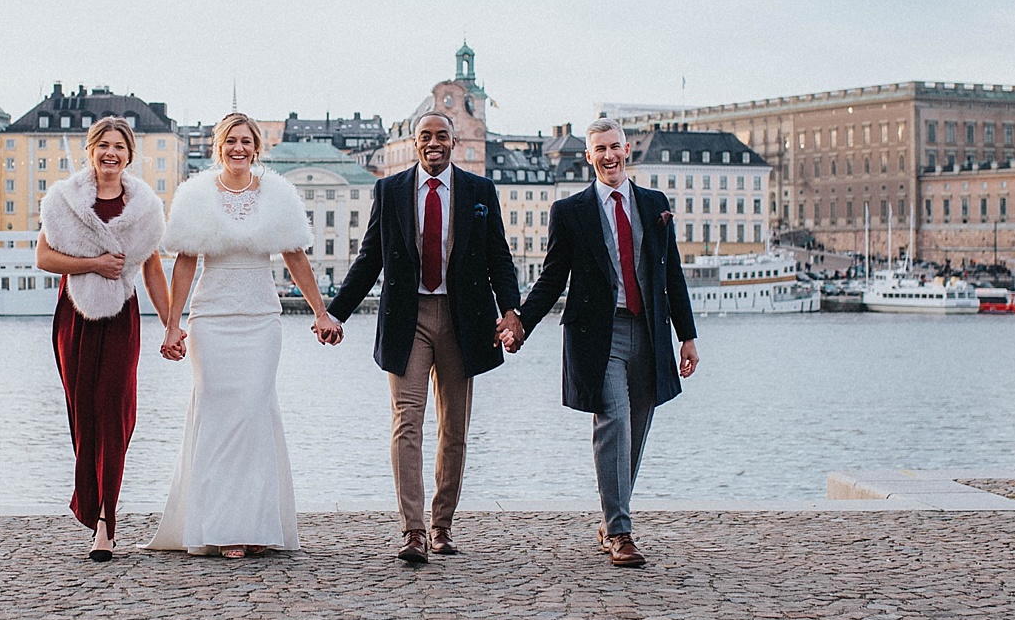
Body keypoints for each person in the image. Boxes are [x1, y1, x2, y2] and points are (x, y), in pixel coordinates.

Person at [501, 117, 698, 568]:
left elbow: (671, 274)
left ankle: (611, 519)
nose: (608, 156)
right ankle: (622, 533)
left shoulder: (654, 204)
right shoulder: (571, 212)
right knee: (614, 421)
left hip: (648, 331)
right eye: (599, 150)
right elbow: (552, 278)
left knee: (638, 428)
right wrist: (521, 324)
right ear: (588, 157)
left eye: (614, 147)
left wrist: (687, 336)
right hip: (598, 333)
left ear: (626, 150)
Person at [328, 111, 521, 564]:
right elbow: (369, 259)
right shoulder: (390, 190)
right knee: (406, 423)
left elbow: (499, 257)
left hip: (462, 320)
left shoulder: (479, 191)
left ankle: (441, 525)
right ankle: (413, 530)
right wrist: (335, 313)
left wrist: (512, 312)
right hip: (407, 319)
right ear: (414, 144)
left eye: (441, 136)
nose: (433, 143)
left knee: (454, 429)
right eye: (425, 136)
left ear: (454, 142)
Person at [147, 113, 343, 559]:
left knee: (253, 415)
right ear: (219, 146)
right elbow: (185, 263)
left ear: (257, 147)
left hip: (260, 319)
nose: (238, 148)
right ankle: (221, 527)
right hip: (211, 320)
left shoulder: (278, 193)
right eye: (230, 141)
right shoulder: (195, 194)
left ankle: (255, 524)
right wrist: (173, 325)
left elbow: (295, 255)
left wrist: (321, 312)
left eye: (246, 141)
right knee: (218, 417)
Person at [38, 116, 170, 562]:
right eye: (103, 145)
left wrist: (171, 324)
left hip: (120, 317)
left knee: (114, 412)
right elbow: (43, 257)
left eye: (119, 147)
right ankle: (90, 501)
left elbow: (152, 270)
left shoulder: (144, 210)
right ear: (91, 150)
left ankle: (104, 524)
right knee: (83, 415)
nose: (110, 153)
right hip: (73, 314)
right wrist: (93, 264)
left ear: (129, 155)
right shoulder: (65, 200)